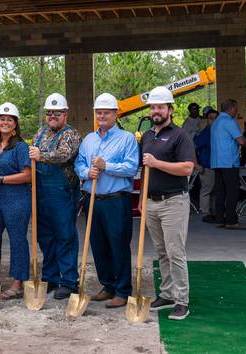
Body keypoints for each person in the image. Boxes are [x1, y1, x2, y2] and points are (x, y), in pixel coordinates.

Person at [74, 93, 139, 309]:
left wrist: (106, 166)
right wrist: (86, 172)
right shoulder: (88, 140)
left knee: (118, 244)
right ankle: (107, 285)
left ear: (115, 114)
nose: (102, 115)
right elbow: (79, 164)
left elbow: (131, 168)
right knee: (99, 245)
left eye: (106, 112)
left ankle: (122, 290)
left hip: (116, 201)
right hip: (93, 199)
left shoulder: (126, 138)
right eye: (99, 112)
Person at [140, 86, 196, 321]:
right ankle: (167, 293)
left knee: (175, 253)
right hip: (152, 203)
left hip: (174, 201)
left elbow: (187, 168)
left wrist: (157, 163)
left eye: (161, 106)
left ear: (170, 109)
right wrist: (143, 198)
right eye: (153, 107)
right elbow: (144, 170)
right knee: (161, 252)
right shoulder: (147, 136)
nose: (156, 110)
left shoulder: (179, 135)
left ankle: (182, 301)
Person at [28, 93, 82, 300]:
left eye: (56, 113)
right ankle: (50, 276)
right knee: (45, 235)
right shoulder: (40, 132)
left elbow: (64, 155)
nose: (52, 116)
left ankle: (69, 281)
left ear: (65, 114)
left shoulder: (71, 134)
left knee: (65, 236)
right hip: (41, 190)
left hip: (62, 192)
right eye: (49, 113)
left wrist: (41, 156)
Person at [0, 102, 32, 300]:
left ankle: (18, 282)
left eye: (9, 119)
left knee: (17, 238)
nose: (5, 122)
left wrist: (2, 179)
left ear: (15, 124)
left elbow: (27, 176)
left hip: (17, 198)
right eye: (2, 119)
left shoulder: (20, 147)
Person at [210, 99, 246, 230]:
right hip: (229, 162)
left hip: (217, 162)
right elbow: (240, 141)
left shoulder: (215, 122)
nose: (237, 111)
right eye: (236, 108)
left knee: (220, 191)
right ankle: (232, 221)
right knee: (232, 191)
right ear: (231, 108)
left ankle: (220, 219)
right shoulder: (229, 121)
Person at [194, 108, 219, 221]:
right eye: (211, 118)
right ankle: (205, 213)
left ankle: (213, 211)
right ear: (207, 120)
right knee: (206, 189)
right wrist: (197, 164)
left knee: (214, 190)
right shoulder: (206, 132)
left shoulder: (217, 132)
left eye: (216, 118)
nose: (213, 120)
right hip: (206, 166)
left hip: (216, 165)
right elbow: (193, 146)